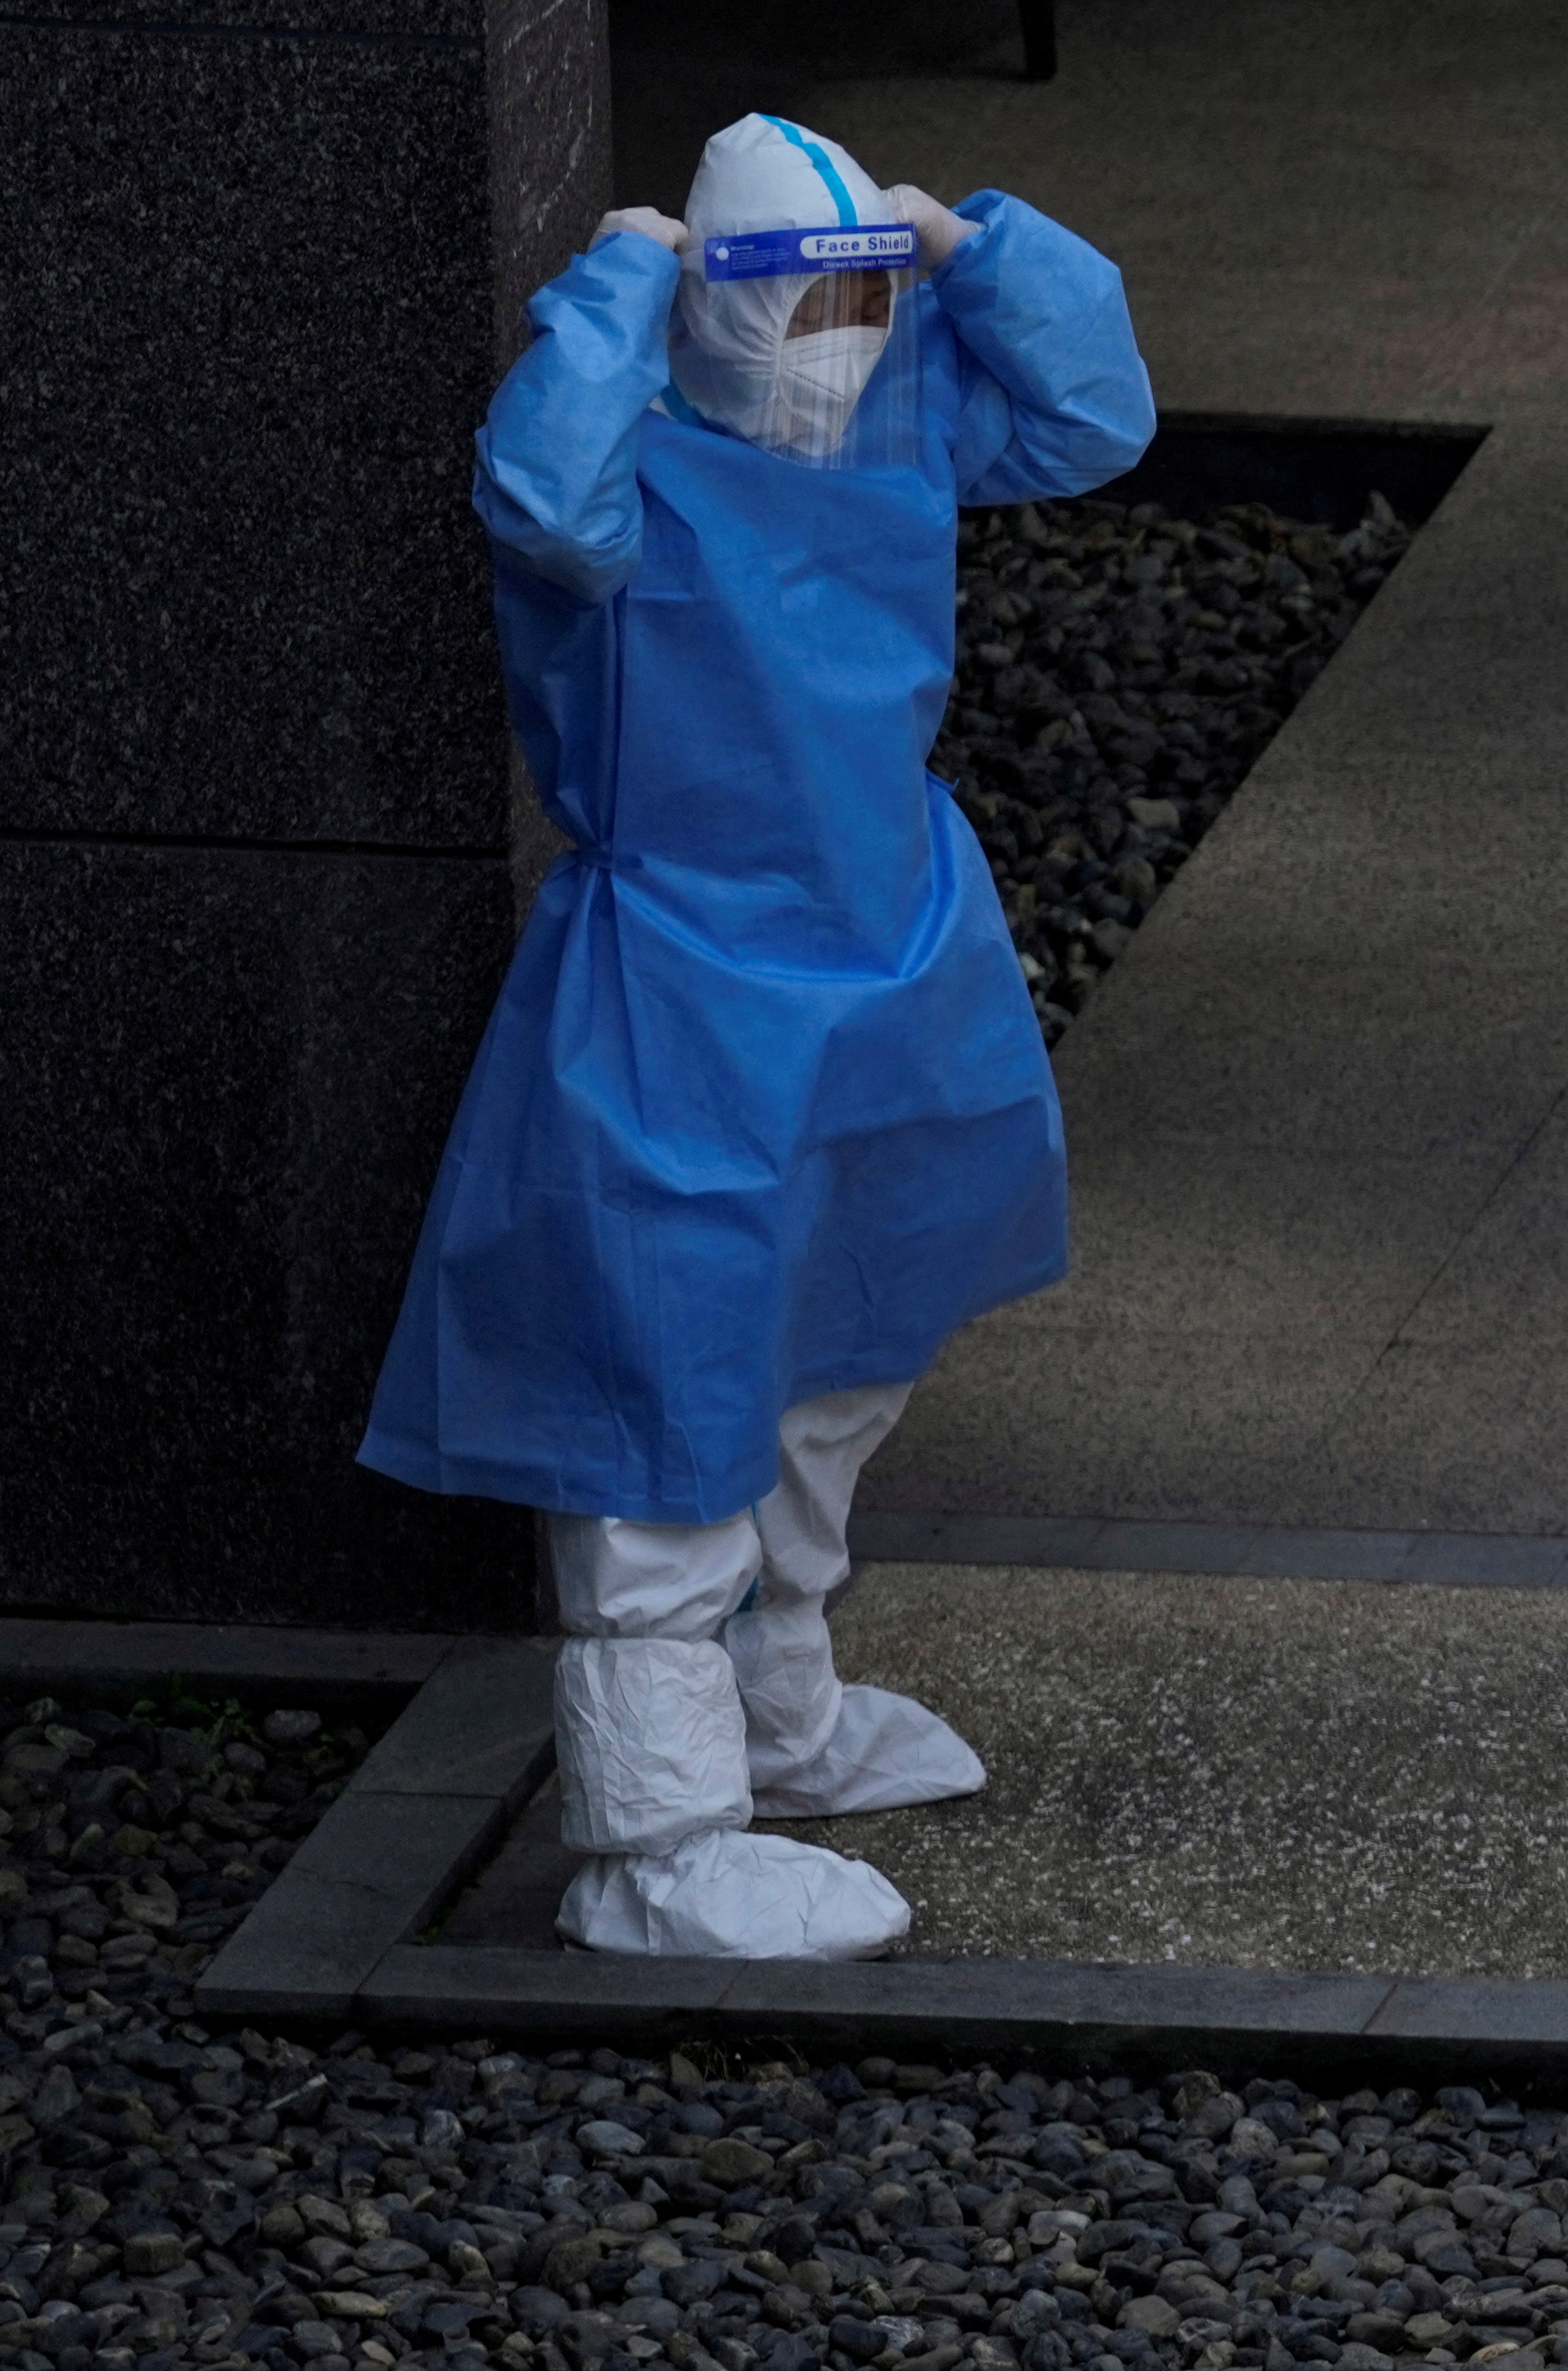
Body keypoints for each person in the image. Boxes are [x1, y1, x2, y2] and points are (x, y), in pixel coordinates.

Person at [360, 114, 1155, 1964]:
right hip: (692, 978)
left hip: (889, 945)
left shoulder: (897, 414)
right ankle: (656, 1834)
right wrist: (619, 282)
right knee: (667, 1394)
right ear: (701, 305)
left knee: (841, 1351)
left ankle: (781, 1718)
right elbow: (542, 502)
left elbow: (1092, 420)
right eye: (791, 305)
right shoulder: (624, 453)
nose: (833, 346)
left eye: (861, 302)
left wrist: (978, 248)